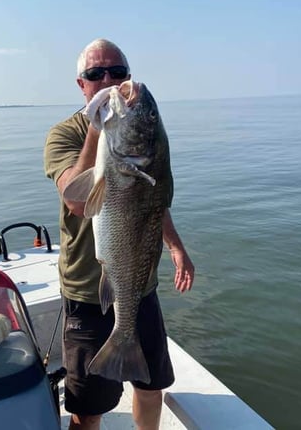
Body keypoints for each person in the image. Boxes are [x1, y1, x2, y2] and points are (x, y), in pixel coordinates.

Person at [43, 38, 195, 430]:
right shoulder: (64, 135)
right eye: (97, 74)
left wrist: (176, 247)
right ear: (82, 84)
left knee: (151, 385)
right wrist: (100, 128)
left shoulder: (142, 142)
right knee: (89, 408)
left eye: (118, 73)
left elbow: (151, 198)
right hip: (85, 290)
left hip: (138, 286)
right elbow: (77, 201)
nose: (109, 80)